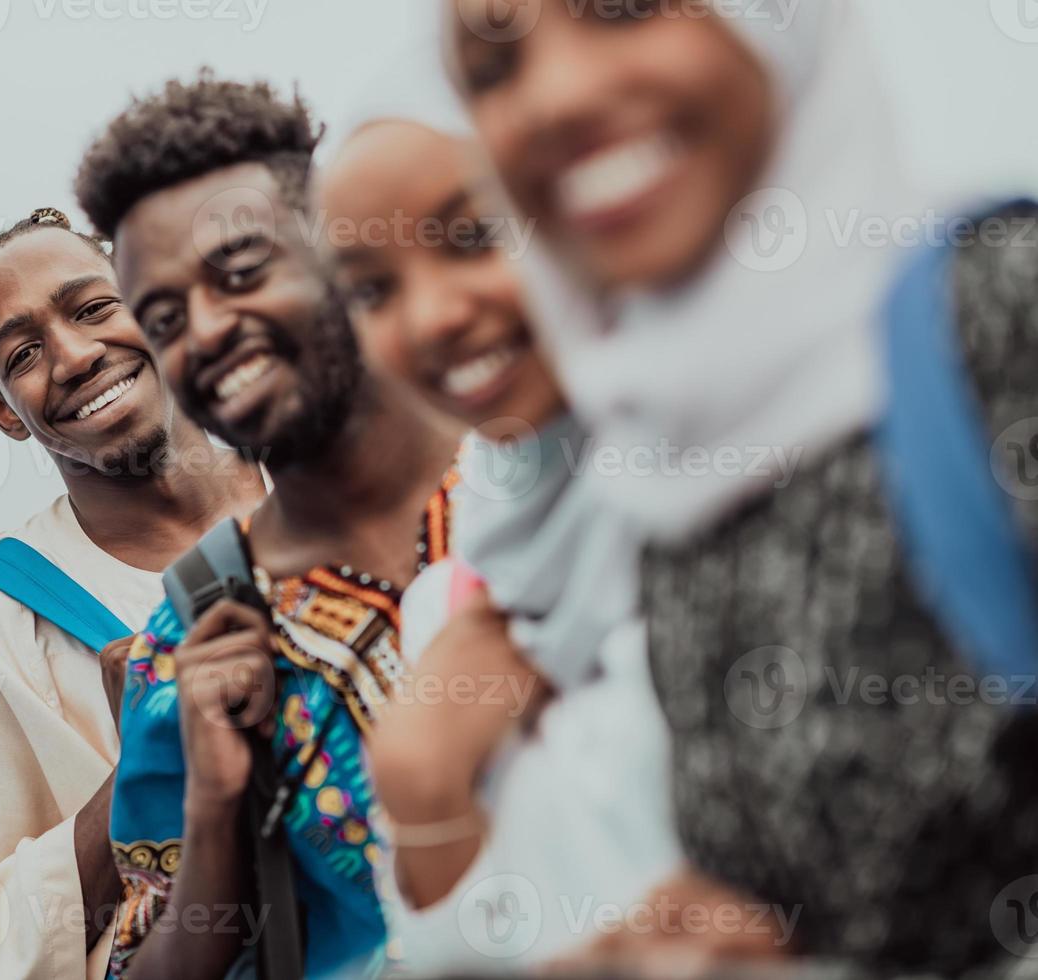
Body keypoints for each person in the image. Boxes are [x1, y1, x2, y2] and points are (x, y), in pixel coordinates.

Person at [448, 0, 1038, 972]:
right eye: (492, 67)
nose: (555, 94)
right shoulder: (663, 480)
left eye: (624, 9)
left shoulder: (990, 314)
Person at [73, 74, 464, 978]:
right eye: (164, 318)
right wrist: (215, 805)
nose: (205, 331)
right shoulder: (198, 628)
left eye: (241, 272)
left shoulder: (527, 474)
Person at [314, 45, 684, 973]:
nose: (432, 316)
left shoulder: (754, 492)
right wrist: (420, 787)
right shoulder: (461, 600)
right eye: (371, 289)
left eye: (474, 235)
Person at [0, 208, 267, 980]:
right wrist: (143, 771)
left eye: (94, 308)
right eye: (25, 352)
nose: (73, 356)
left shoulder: (328, 488)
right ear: (1, 408)